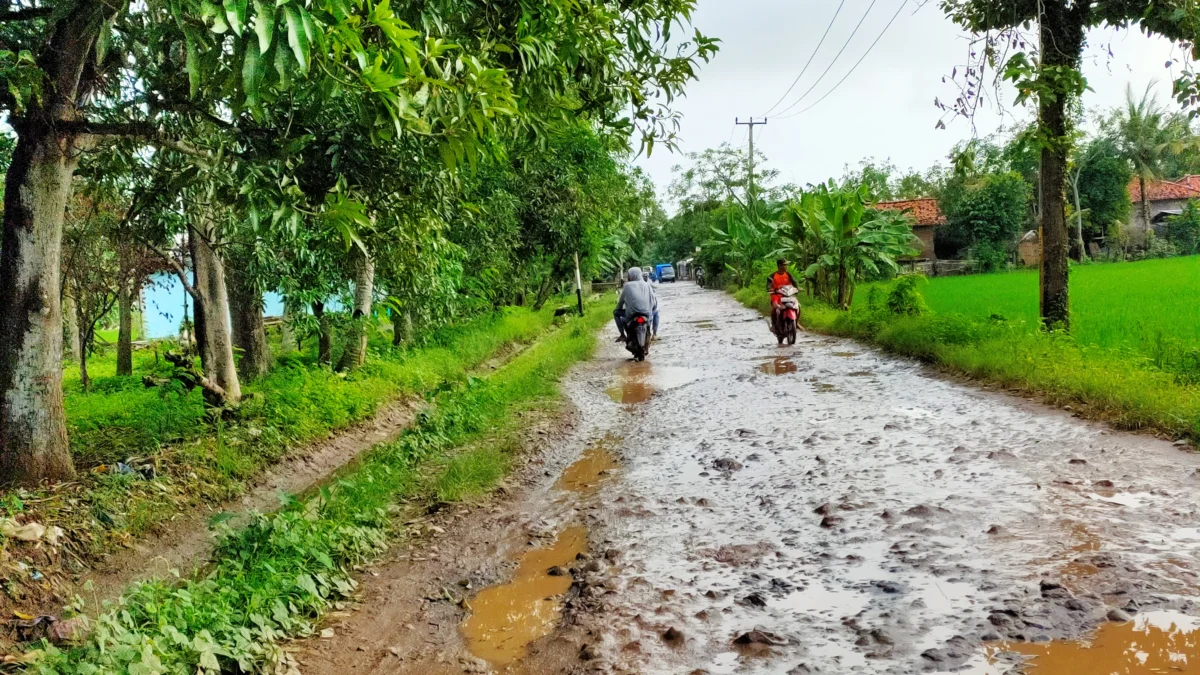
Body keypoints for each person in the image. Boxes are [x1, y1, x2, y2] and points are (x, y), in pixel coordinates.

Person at [614, 267, 659, 341]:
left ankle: (622, 335)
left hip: (631, 315)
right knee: (657, 312)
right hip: (647, 313)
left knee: (616, 313)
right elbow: (654, 300)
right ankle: (654, 334)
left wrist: (618, 308)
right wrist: (653, 308)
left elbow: (621, 301)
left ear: (630, 275)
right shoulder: (646, 284)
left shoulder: (627, 286)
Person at [766, 259, 799, 332]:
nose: (786, 266)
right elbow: (768, 285)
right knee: (775, 307)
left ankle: (796, 322)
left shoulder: (788, 274)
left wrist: (797, 288)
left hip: (788, 295)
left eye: (786, 265)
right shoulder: (772, 275)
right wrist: (770, 289)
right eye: (784, 265)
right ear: (779, 266)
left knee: (798, 306)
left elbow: (794, 282)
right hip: (776, 296)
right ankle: (774, 324)